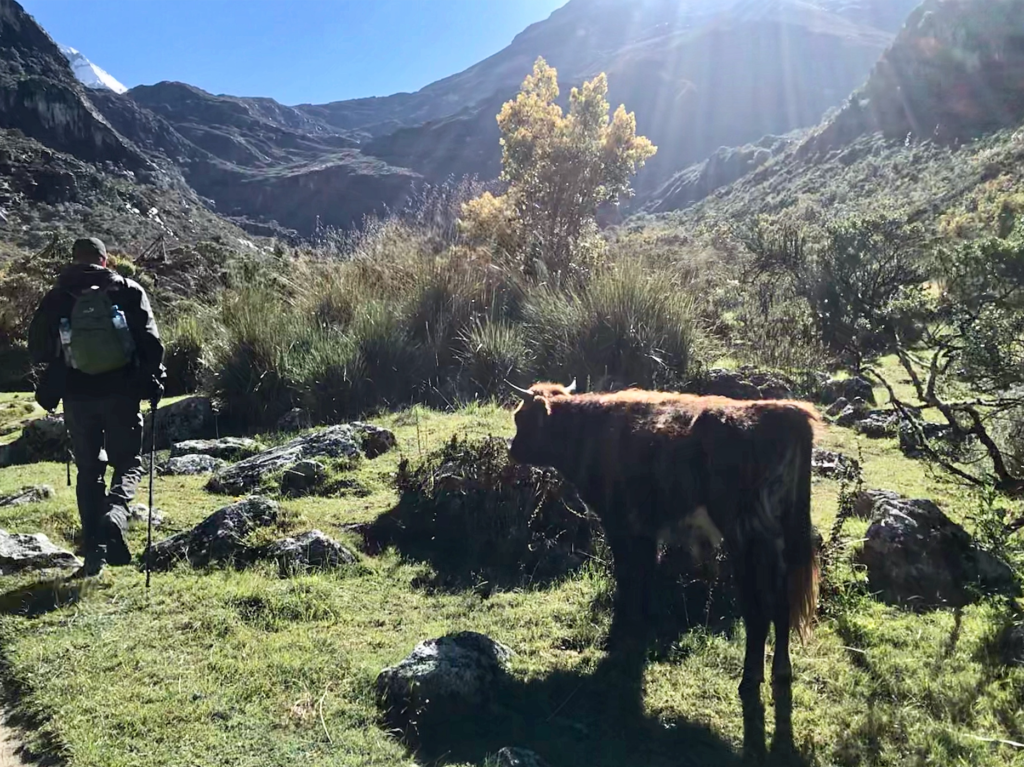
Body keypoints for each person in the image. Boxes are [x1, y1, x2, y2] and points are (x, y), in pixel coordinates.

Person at [28, 237, 166, 578]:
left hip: (77, 396)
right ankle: (115, 515)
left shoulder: (58, 296)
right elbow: (151, 342)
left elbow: (36, 348)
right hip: (122, 393)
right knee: (128, 463)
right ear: (105, 261)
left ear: (75, 261)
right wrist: (155, 380)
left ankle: (94, 555)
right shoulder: (128, 289)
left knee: (89, 471)